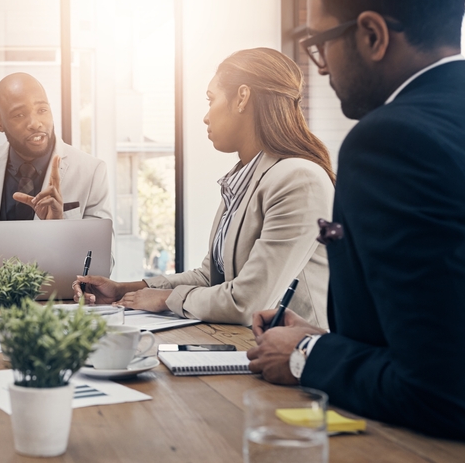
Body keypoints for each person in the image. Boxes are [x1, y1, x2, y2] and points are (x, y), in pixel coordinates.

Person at [247, 0, 465, 461]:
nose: (320, 66)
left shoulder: (393, 142)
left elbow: (448, 394)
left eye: (321, 43)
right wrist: (327, 340)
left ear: (371, 34)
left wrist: (305, 356)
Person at [74, 48, 334, 327]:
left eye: (211, 100)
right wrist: (125, 289)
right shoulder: (243, 179)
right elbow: (210, 277)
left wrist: (165, 299)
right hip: (249, 346)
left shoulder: (298, 179)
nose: (206, 117)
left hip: (297, 361)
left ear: (242, 98)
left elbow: (248, 302)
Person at [0, 72, 112, 278]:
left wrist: (60, 227)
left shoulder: (91, 171)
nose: (35, 123)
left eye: (42, 110)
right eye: (19, 115)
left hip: (55, 304)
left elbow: (102, 267)